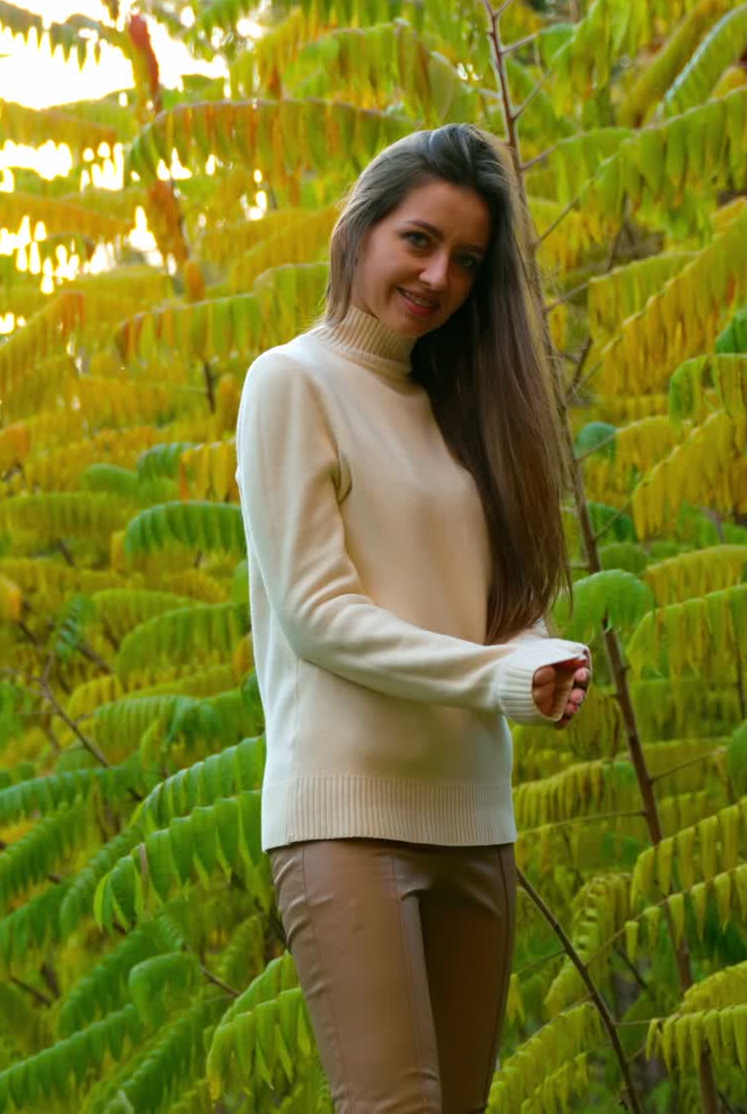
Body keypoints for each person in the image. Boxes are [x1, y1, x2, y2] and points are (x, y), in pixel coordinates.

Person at [233, 124, 592, 1113]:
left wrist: (539, 653)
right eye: (417, 239)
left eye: (465, 260)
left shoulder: (464, 408)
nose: (437, 274)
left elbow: (496, 611)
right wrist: (492, 676)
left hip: (474, 817)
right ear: (359, 229)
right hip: (346, 818)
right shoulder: (290, 382)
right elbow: (316, 613)